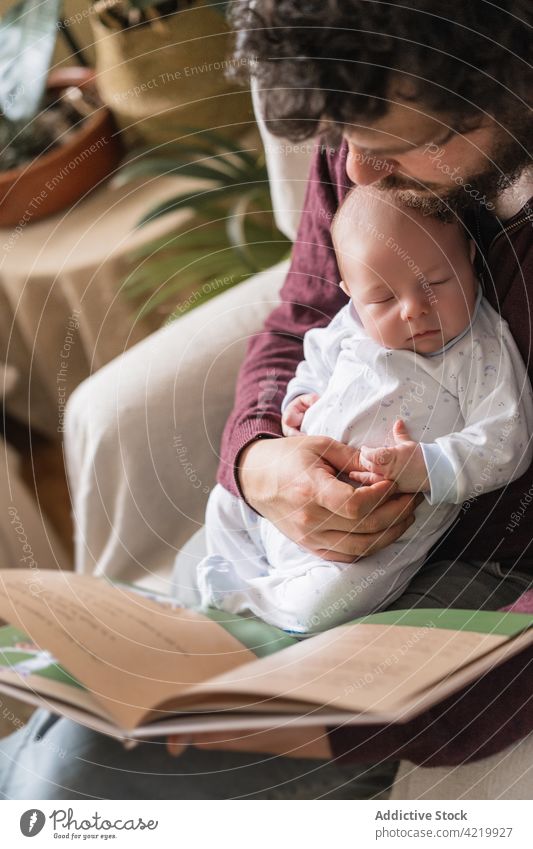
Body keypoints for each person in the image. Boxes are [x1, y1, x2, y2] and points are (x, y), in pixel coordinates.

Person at [1, 0, 532, 799]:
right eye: (340, 138)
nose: (353, 172)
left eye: (403, 146)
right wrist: (260, 461)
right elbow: (307, 316)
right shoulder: (362, 127)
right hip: (287, 556)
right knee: (79, 726)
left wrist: (320, 727)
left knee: (74, 771)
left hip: (473, 590)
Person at [195, 188, 533, 633]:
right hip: (294, 489)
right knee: (225, 500)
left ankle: (256, 606)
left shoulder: (480, 348)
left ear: (470, 255)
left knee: (327, 606)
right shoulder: (348, 326)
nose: (414, 309)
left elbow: (507, 439)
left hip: (376, 535)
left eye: (436, 282)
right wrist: (297, 401)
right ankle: (235, 583)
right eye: (383, 300)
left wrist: (429, 467)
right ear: (350, 293)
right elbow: (309, 356)